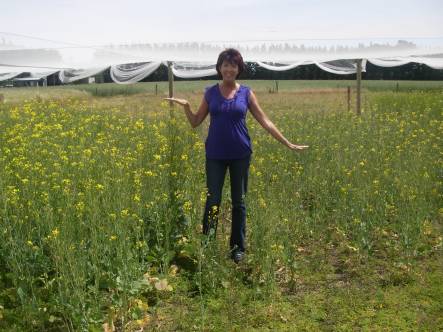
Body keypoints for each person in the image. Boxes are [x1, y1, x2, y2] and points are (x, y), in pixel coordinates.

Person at [164, 48, 308, 263]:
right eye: (225, 64)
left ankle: (238, 248)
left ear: (238, 68)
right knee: (213, 200)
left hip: (241, 154)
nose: (229, 69)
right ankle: (207, 242)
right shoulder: (210, 93)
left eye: (233, 65)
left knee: (239, 201)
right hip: (215, 155)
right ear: (219, 68)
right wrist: (187, 107)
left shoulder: (246, 93)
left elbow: (264, 120)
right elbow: (195, 122)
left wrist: (286, 142)